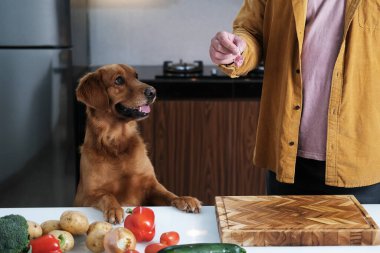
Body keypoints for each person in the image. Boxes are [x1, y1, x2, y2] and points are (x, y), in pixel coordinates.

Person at [209, 0, 380, 203]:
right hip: (287, 156)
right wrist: (235, 51)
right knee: (284, 235)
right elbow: (252, 31)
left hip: (360, 159)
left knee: (356, 236)